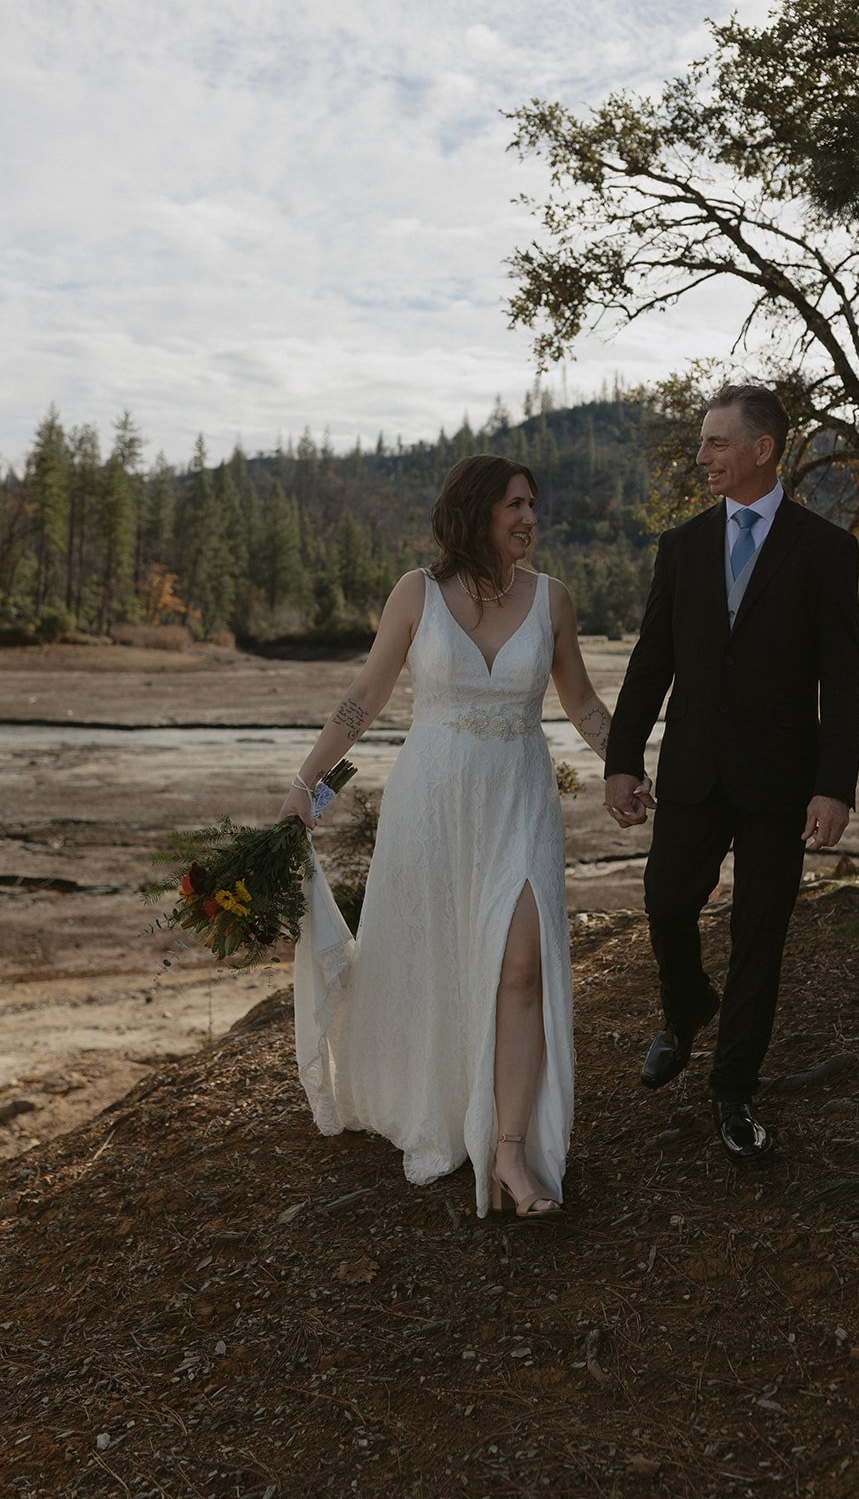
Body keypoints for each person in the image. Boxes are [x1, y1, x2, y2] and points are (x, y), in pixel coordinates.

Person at [279, 455, 625, 1217]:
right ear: (475, 513)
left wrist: (626, 766)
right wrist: (306, 782)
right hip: (430, 800)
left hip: (518, 799)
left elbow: (584, 706)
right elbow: (363, 697)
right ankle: (438, 1105)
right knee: (430, 953)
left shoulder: (552, 600)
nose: (528, 517)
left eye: (532, 504)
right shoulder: (418, 594)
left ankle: (509, 1152)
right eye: (513, 505)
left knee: (522, 968)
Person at [604, 384, 859, 1165]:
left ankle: (733, 1087)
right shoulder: (680, 546)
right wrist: (622, 760)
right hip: (690, 769)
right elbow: (652, 662)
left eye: (716, 442)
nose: (701, 455)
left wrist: (835, 783)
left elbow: (841, 678)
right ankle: (685, 1004)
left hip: (781, 781)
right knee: (664, 902)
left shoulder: (824, 548)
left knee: (759, 933)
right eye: (700, 442)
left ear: (762, 449)